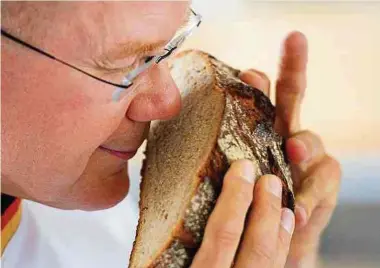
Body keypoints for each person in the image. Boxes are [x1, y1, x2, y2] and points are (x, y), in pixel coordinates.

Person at [1, 2, 341, 268]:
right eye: (124, 65)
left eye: (166, 50)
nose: (168, 101)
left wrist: (282, 249)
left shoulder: (97, 220)